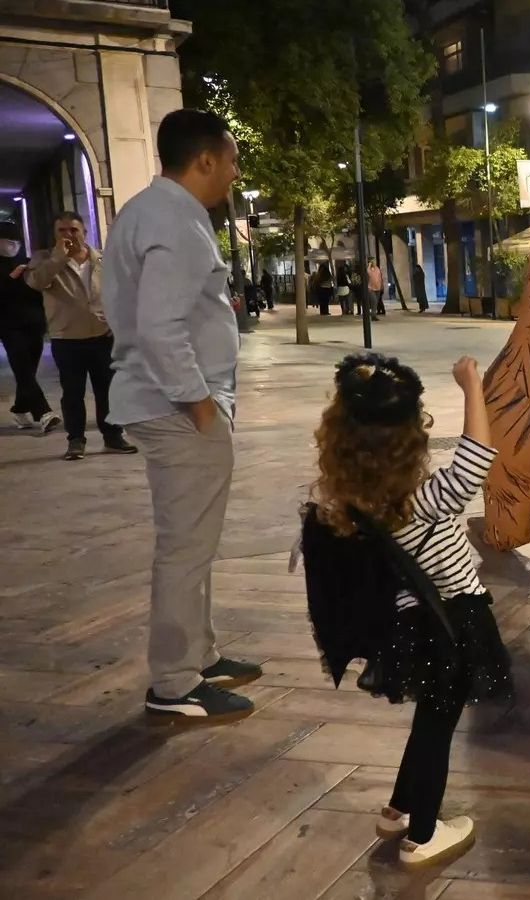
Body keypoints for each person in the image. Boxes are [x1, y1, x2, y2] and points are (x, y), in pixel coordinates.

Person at [301, 352, 512, 870]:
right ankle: (422, 835)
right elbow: (479, 454)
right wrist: (472, 385)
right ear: (409, 438)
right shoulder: (425, 498)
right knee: (438, 728)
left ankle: (398, 808)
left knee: (429, 719)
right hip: (452, 621)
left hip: (409, 625)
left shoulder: (351, 500)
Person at [102, 108, 260, 722]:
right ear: (204, 161)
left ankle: (200, 654)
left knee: (193, 543)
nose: (234, 173)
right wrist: (198, 404)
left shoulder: (150, 211)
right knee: (184, 548)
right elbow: (161, 326)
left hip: (165, 401)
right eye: (232, 160)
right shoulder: (174, 220)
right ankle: (174, 682)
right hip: (176, 407)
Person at [25, 211, 138, 460]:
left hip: (102, 336)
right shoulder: (44, 260)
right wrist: (57, 258)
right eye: (62, 231)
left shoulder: (102, 260)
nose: (68, 235)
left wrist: (116, 322)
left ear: (84, 233)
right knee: (73, 392)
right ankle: (76, 440)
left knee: (107, 390)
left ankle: (112, 437)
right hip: (67, 339)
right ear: (54, 235)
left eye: (73, 230)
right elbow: (35, 282)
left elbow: (120, 292)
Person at [0, 221, 59, 433]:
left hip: (34, 325)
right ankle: (43, 412)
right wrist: (10, 278)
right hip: (8, 326)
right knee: (22, 368)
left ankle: (20, 408)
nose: (12, 245)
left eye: (15, 241)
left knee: (29, 370)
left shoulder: (29, 263)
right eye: (7, 241)